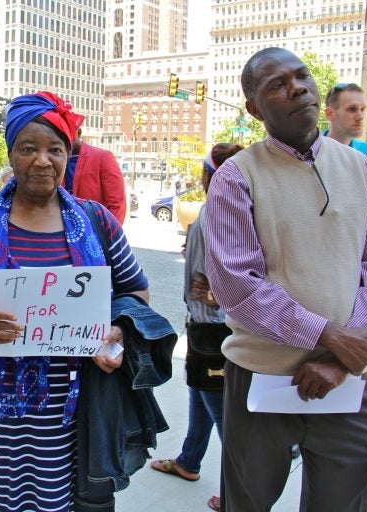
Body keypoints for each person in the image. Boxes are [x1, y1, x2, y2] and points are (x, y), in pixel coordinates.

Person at [0, 91, 170, 512]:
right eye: (28, 149)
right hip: (11, 423)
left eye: (55, 149)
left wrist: (116, 337)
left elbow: (137, 292)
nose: (42, 161)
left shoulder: (97, 220)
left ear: (68, 156)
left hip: (84, 412)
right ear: (11, 154)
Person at [204, 47, 367, 511]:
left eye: (301, 76)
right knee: (247, 503)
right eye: (276, 84)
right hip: (261, 378)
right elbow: (237, 284)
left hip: (345, 381)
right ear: (254, 108)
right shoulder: (237, 177)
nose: (296, 87)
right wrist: (328, 334)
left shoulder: (364, 171)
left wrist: (342, 359)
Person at [149, 143, 243, 512]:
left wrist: (220, 294)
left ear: (208, 175)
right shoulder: (222, 211)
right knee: (199, 398)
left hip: (215, 331)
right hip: (204, 327)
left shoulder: (219, 214)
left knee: (224, 418)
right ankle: (189, 461)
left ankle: (238, 493)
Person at [65, 126, 127, 224]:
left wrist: (107, 235)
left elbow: (117, 204)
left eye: (67, 132)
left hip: (95, 231)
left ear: (79, 133)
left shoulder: (103, 157)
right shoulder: (54, 159)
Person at [323, 82, 367, 167]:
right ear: (330, 114)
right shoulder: (311, 150)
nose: (361, 116)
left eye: (362, 109)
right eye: (352, 109)